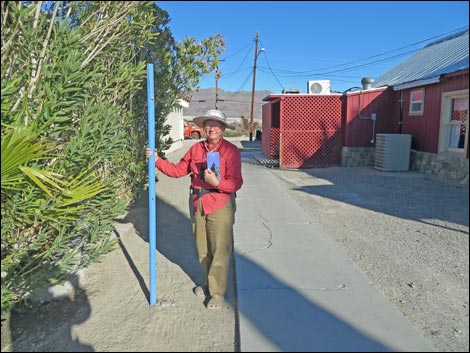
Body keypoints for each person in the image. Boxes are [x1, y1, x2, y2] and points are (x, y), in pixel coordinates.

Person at [146, 109, 243, 310]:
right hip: (198, 202)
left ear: (223, 128)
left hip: (221, 202)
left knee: (219, 249)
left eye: (216, 124)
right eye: (208, 124)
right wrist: (157, 160)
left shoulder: (231, 151)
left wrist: (217, 182)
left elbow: (236, 183)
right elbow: (177, 171)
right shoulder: (196, 150)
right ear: (203, 127)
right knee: (202, 249)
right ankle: (208, 282)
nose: (212, 128)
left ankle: (217, 292)